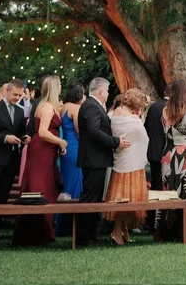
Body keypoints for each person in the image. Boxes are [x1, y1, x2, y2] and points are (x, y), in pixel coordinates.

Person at [13, 76, 66, 247]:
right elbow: (42, 132)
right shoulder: (47, 107)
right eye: (59, 86)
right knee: (39, 187)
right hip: (41, 151)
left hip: (48, 151)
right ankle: (35, 233)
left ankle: (42, 231)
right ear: (54, 88)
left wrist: (58, 146)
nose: (60, 88)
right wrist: (60, 141)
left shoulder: (49, 106)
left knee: (47, 186)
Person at [76, 77, 129, 246]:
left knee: (94, 197)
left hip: (96, 158)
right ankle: (84, 236)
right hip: (93, 159)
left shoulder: (93, 105)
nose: (107, 94)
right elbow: (94, 131)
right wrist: (115, 141)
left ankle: (91, 234)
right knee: (89, 198)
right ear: (100, 91)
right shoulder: (91, 106)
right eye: (106, 91)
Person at [154, 79, 186, 240]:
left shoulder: (165, 110)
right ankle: (184, 231)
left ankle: (165, 231)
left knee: (168, 192)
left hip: (170, 155)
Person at [104, 88, 149, 245]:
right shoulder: (134, 119)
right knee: (126, 198)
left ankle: (123, 230)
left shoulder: (116, 112)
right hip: (132, 162)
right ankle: (117, 232)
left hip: (121, 158)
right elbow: (144, 137)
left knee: (121, 196)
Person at [0, 79, 30, 245]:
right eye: (15, 94)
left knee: (2, 198)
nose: (17, 98)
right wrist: (5, 138)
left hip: (11, 161)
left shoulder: (21, 111)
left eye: (20, 96)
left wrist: (24, 137)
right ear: (7, 90)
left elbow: (20, 131)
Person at [56, 81, 85, 235]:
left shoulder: (64, 107)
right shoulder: (75, 108)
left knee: (67, 182)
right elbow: (80, 131)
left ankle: (61, 221)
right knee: (75, 182)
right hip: (75, 148)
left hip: (66, 148)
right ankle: (70, 223)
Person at [144, 82, 170, 230]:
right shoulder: (168, 108)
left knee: (155, 185)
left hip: (153, 152)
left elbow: (147, 128)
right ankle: (161, 221)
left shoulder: (154, 107)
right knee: (164, 187)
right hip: (165, 153)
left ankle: (151, 219)